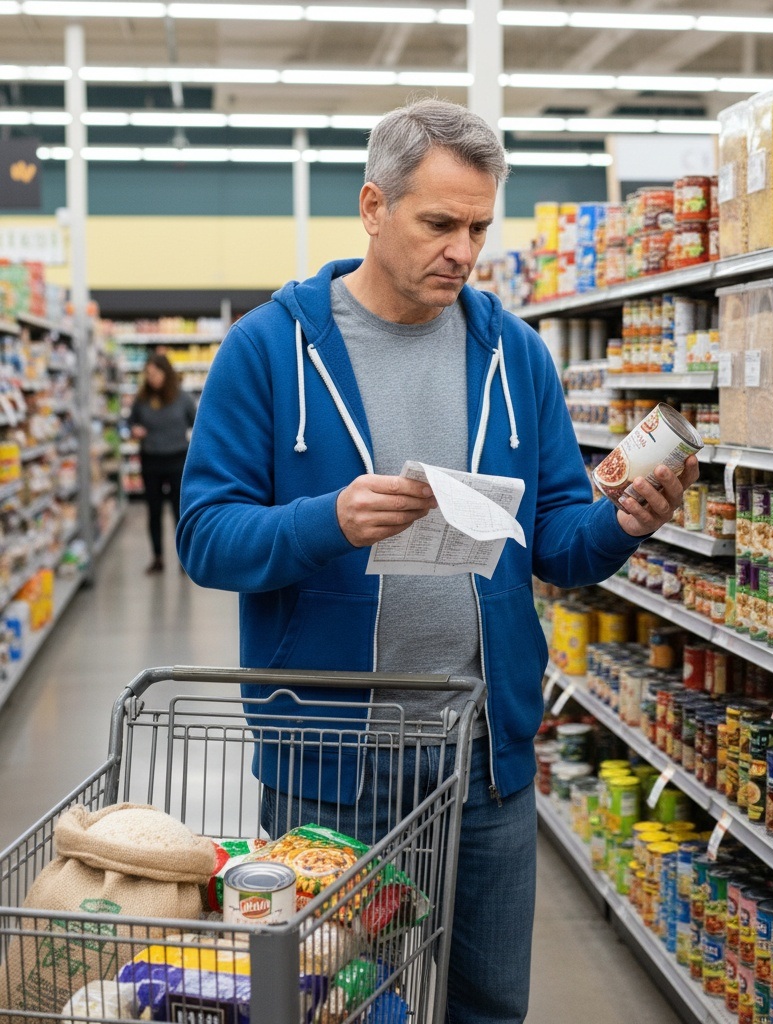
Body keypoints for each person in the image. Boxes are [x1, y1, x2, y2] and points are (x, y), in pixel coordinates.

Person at [176, 98, 699, 1024]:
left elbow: (559, 547)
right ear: (374, 208)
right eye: (439, 223)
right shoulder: (268, 349)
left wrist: (624, 523)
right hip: (329, 758)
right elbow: (206, 538)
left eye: (478, 227)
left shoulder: (517, 356)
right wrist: (325, 520)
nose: (462, 249)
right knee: (335, 1005)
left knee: (490, 1002)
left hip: (481, 753)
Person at [129, 352, 196, 573]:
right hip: (151, 461)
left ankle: (184, 559)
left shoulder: (183, 398)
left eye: (156, 373)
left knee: (180, 512)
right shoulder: (142, 400)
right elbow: (129, 423)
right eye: (148, 374)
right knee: (154, 511)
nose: (152, 378)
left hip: (177, 460)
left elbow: (197, 424)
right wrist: (134, 430)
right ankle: (157, 557)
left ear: (166, 373)